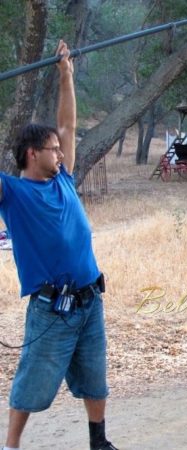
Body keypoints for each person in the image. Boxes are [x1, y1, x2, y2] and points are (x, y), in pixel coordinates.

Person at [0, 41, 117, 450]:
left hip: (89, 299)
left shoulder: (63, 178)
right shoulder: (11, 192)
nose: (61, 152)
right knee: (34, 378)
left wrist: (65, 75)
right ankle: (11, 445)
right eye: (52, 149)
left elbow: (66, 125)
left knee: (94, 375)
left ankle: (98, 441)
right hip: (52, 309)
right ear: (33, 154)